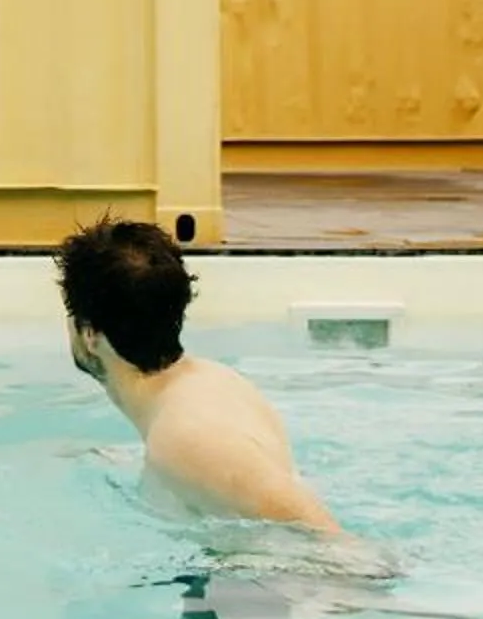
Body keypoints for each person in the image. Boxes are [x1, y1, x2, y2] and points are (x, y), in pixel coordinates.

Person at [56, 216, 343, 534]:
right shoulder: (208, 384)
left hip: (268, 583)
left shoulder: (186, 437)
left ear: (90, 334)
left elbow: (335, 546)